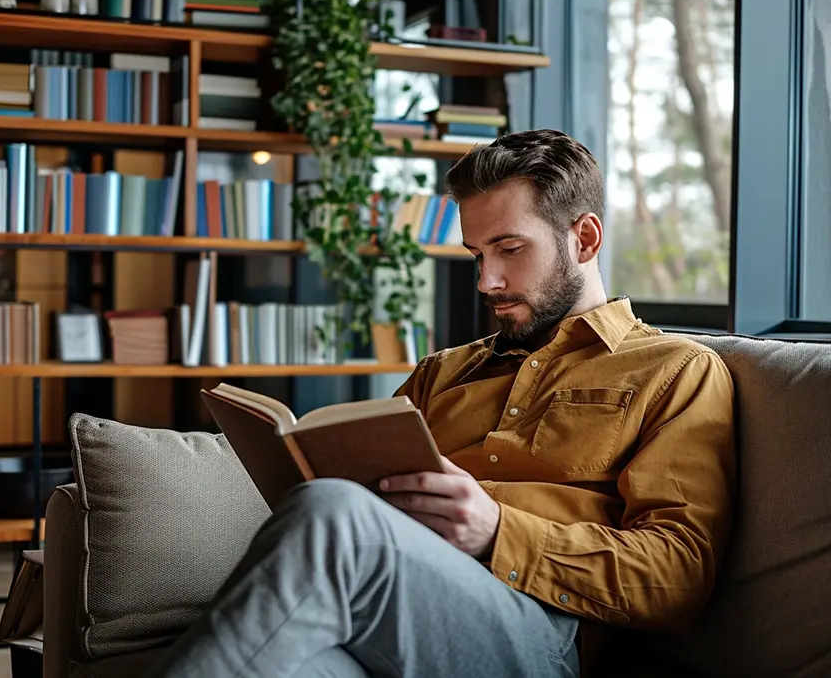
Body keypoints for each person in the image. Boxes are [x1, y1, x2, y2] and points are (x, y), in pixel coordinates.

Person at [145, 129, 737, 678]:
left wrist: (496, 531)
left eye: (509, 249)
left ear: (584, 238)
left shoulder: (675, 371)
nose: (487, 281)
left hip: (543, 632)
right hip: (396, 609)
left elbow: (677, 576)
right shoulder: (442, 372)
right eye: (478, 255)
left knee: (334, 517)